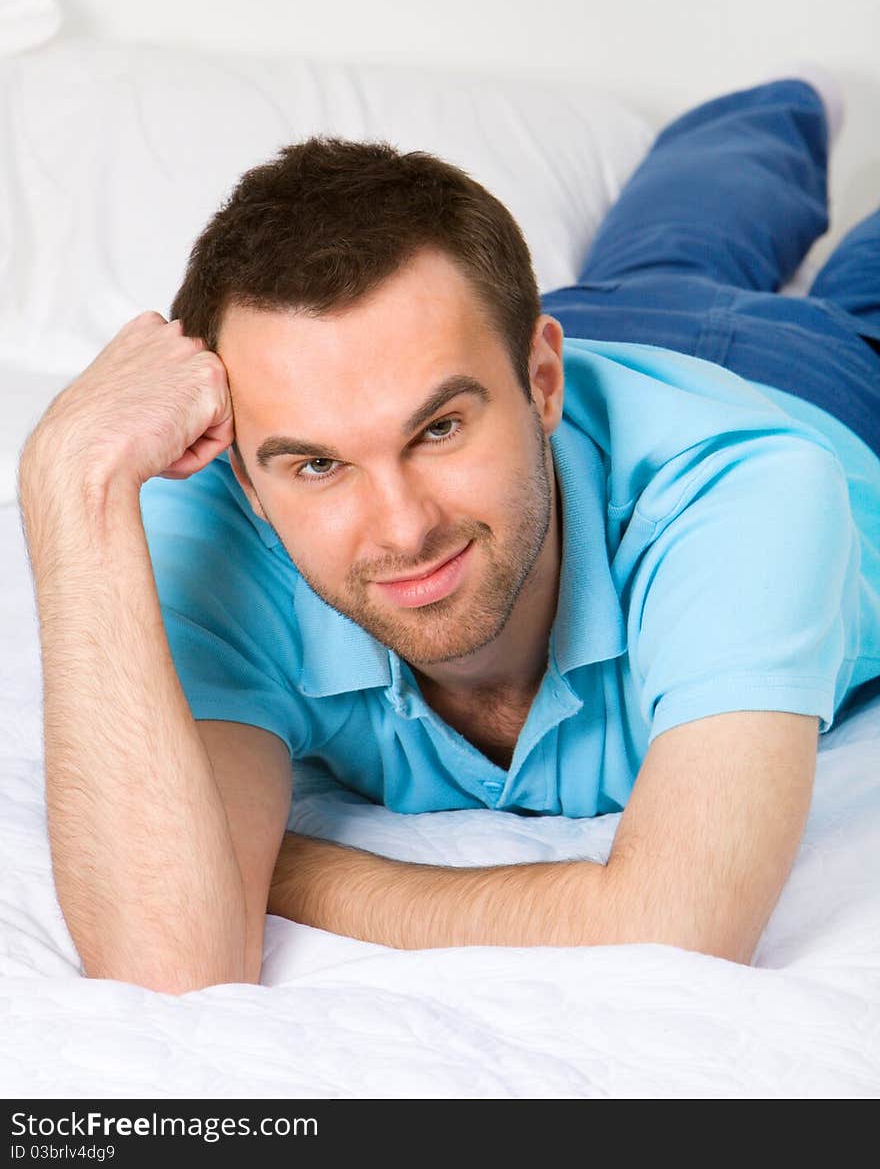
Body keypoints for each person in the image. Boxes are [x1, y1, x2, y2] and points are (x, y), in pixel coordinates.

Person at [17, 70, 880, 995]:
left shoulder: (748, 494)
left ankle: (771, 105)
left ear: (542, 384)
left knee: (804, 289)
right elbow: (168, 962)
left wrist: (264, 868)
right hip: (532, 339)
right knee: (667, 258)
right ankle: (769, 108)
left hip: (812, 381)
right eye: (317, 465)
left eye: (437, 432)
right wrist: (65, 476)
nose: (403, 529)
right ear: (250, 480)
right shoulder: (213, 533)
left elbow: (673, 932)